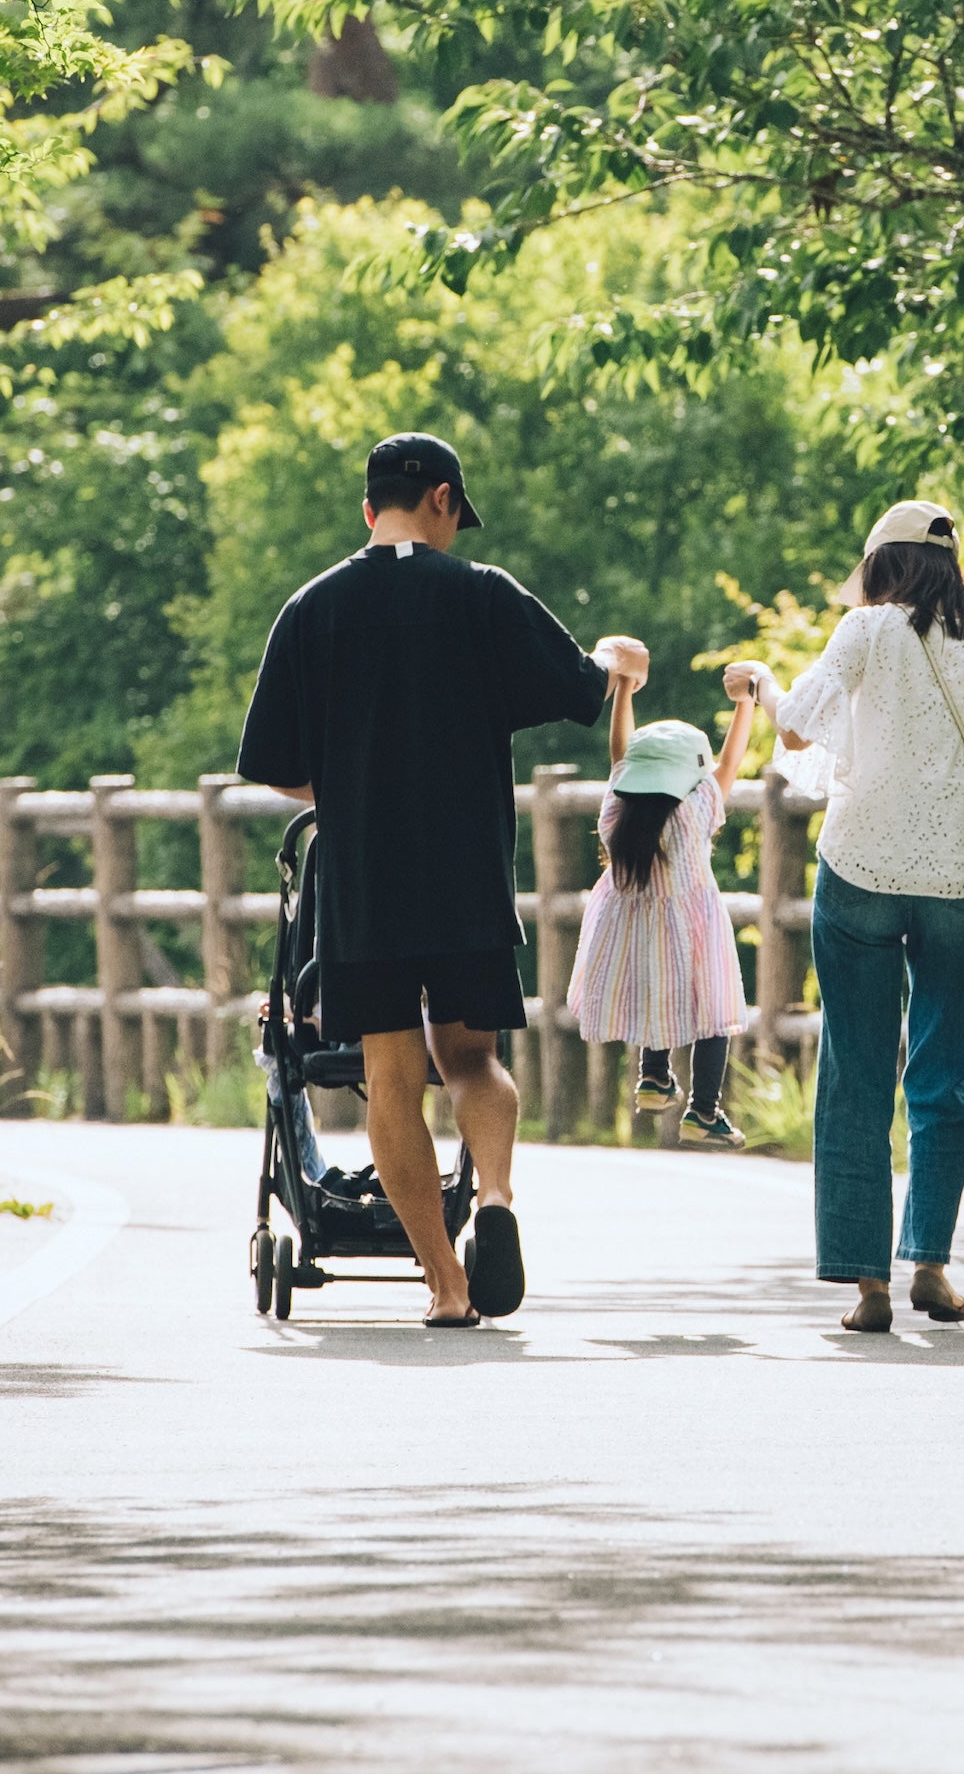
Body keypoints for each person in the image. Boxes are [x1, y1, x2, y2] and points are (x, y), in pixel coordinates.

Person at [236, 432, 645, 1327]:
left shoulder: (310, 609)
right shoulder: (484, 595)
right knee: (475, 1060)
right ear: (446, 500)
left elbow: (266, 760)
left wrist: (346, 791)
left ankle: (446, 1287)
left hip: (363, 878)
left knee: (390, 1076)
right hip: (465, 868)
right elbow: (581, 692)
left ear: (368, 507)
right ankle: (492, 1201)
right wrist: (622, 670)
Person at [769, 500, 964, 1332]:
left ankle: (868, 1285)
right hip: (958, 879)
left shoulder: (866, 632)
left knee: (854, 1075)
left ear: (881, 567)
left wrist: (765, 688)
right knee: (942, 1077)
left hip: (860, 870)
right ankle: (930, 1267)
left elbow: (796, 732)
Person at [568, 671, 760, 1150]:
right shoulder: (695, 809)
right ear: (690, 776)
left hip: (631, 929)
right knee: (712, 1008)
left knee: (659, 995)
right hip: (692, 924)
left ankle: (653, 1077)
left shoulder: (616, 809)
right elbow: (732, 760)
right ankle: (704, 1110)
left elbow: (619, 754)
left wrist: (625, 693)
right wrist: (745, 703)